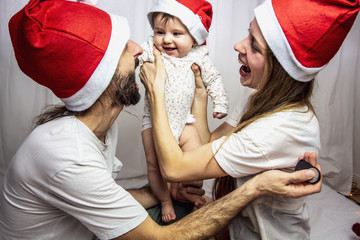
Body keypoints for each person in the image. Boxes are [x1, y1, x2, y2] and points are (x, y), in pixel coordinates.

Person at [0, 0, 322, 239]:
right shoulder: (67, 154)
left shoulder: (96, 128)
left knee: (187, 206)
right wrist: (254, 188)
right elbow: (163, 237)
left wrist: (163, 194)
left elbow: (104, 195)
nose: (140, 49)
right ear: (102, 79)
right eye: (123, 49)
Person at [139, 0, 360, 239]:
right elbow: (206, 147)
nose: (238, 46)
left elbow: (175, 167)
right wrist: (201, 93)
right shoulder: (258, 98)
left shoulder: (277, 129)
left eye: (254, 46)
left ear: (280, 68)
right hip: (232, 225)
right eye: (248, 34)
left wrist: (156, 90)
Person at [139, 0, 229, 223]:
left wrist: (220, 103)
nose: (166, 39)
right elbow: (136, 60)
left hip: (185, 123)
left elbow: (213, 78)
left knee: (196, 161)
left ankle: (181, 189)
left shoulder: (197, 56)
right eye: (160, 31)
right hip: (153, 121)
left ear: (194, 38)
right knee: (154, 163)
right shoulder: (152, 50)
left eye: (176, 33)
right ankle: (164, 200)